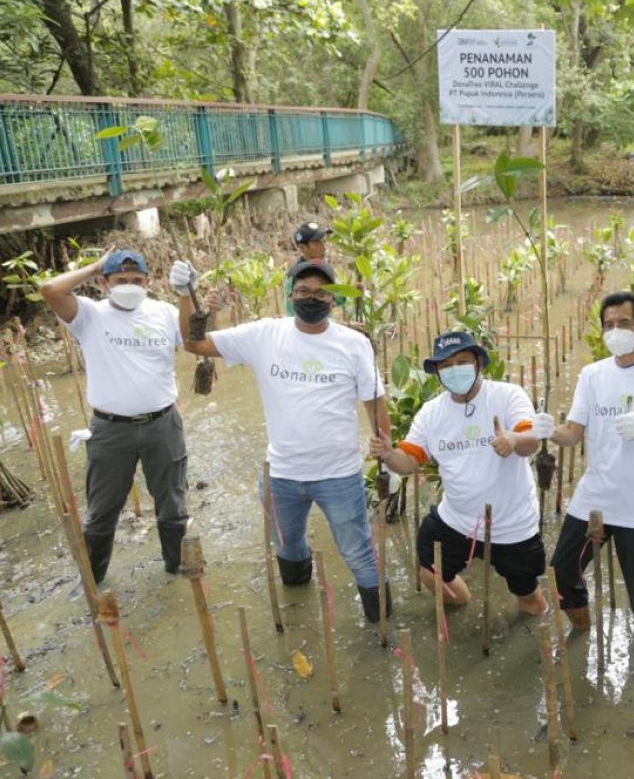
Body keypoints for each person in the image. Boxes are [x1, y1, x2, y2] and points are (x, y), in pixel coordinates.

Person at [172, 258, 392, 622]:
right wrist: (186, 297)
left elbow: (374, 402)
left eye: (321, 292)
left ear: (333, 300)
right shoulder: (264, 335)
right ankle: (298, 614)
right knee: (287, 547)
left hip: (339, 475)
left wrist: (386, 455)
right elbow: (195, 345)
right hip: (281, 476)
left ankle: (382, 628)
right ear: (291, 296)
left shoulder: (354, 344)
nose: (311, 297)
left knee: (358, 552)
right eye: (303, 291)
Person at [532, 291, 634, 634]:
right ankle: (583, 633)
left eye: (624, 323)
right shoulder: (592, 375)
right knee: (562, 574)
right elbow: (573, 433)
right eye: (608, 325)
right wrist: (549, 430)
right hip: (595, 495)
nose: (615, 330)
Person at [369, 331, 547, 615]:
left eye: (462, 361)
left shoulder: (507, 395)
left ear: (478, 363)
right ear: (437, 371)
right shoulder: (431, 413)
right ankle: (463, 606)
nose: (454, 370)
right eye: (445, 365)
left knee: (529, 599)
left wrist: (512, 440)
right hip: (457, 519)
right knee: (430, 573)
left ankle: (534, 637)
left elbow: (531, 443)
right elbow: (409, 462)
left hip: (513, 522)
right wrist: (389, 454)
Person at [40, 249, 189, 583]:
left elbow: (194, 339)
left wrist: (187, 295)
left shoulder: (163, 312)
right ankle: (93, 583)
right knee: (101, 512)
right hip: (110, 431)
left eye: (137, 280)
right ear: (104, 283)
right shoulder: (89, 315)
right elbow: (50, 290)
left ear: (148, 282)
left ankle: (176, 571)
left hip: (163, 425)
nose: (129, 286)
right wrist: (94, 264)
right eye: (120, 280)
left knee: (173, 505)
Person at [283, 222, 332, 316]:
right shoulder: (294, 276)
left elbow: (337, 299)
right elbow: (292, 313)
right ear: (302, 248)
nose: (324, 247)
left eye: (324, 241)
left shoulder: (324, 269)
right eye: (317, 243)